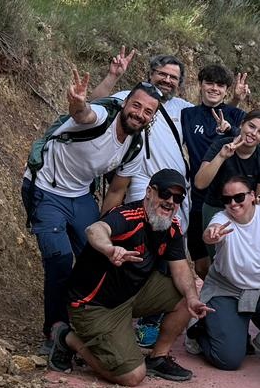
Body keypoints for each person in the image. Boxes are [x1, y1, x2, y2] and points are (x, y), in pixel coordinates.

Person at [24, 70, 159, 350]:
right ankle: (55, 329)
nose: (139, 114)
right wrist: (76, 102)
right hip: (47, 190)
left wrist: (103, 229)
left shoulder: (135, 145)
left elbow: (116, 191)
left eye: (147, 111)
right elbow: (83, 114)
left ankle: (86, 317)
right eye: (136, 105)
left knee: (97, 256)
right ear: (124, 103)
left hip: (80, 195)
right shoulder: (103, 117)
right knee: (59, 258)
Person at [48, 169, 208, 386]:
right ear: (149, 192)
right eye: (165, 194)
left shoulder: (171, 227)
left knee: (188, 293)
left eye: (177, 198)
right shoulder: (128, 216)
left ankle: (158, 357)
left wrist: (191, 298)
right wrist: (109, 248)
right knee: (132, 376)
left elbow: (180, 269)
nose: (170, 201)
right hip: (94, 306)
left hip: (132, 293)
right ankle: (67, 338)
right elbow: (96, 229)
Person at [194, 178, 260, 369]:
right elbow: (209, 233)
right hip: (227, 290)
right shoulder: (222, 219)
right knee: (228, 359)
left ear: (253, 196)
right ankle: (199, 332)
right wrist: (211, 234)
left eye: (239, 197)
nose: (233, 203)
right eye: (227, 199)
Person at [88, 50, 193, 219]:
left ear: (179, 83)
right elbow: (94, 105)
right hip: (141, 180)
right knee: (143, 229)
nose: (167, 80)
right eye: (162, 74)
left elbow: (211, 119)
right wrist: (112, 76)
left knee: (175, 237)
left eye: (173, 77)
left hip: (178, 186)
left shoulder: (183, 108)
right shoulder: (130, 98)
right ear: (150, 74)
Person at [179, 63, 251, 264]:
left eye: (220, 85)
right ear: (200, 85)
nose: (214, 89)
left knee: (232, 257)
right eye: (209, 83)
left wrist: (230, 131)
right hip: (198, 195)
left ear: (226, 90)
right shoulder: (188, 115)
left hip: (229, 197)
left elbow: (249, 141)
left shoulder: (236, 116)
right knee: (201, 260)